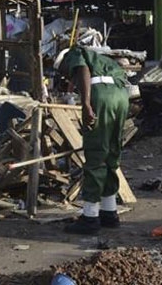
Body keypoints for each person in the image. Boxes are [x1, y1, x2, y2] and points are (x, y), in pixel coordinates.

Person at [54, 46, 129, 235]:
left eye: (63, 71)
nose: (65, 76)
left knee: (96, 154)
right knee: (111, 154)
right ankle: (109, 213)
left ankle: (90, 217)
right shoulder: (101, 60)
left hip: (102, 97)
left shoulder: (74, 53)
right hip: (121, 97)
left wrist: (86, 104)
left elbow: (82, 69)